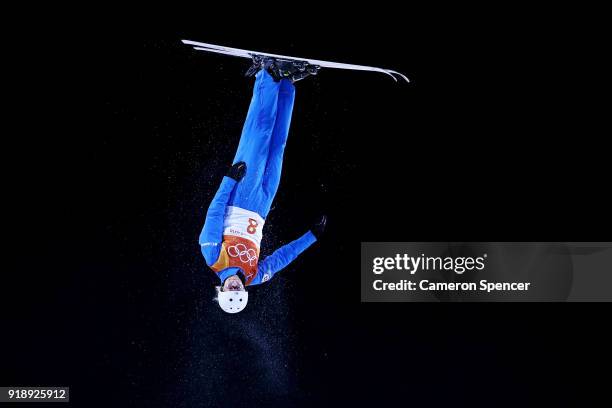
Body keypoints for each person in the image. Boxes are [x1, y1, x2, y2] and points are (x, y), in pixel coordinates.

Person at [199, 57, 326, 314]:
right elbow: (282, 258)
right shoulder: (255, 275)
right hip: (263, 205)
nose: (235, 285)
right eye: (238, 290)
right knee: (278, 144)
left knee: (259, 134)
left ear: (221, 290)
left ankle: (267, 75)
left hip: (240, 196)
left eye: (230, 290)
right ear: (243, 291)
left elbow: (213, 213)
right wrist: (311, 237)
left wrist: (229, 179)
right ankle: (287, 82)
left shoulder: (213, 258)